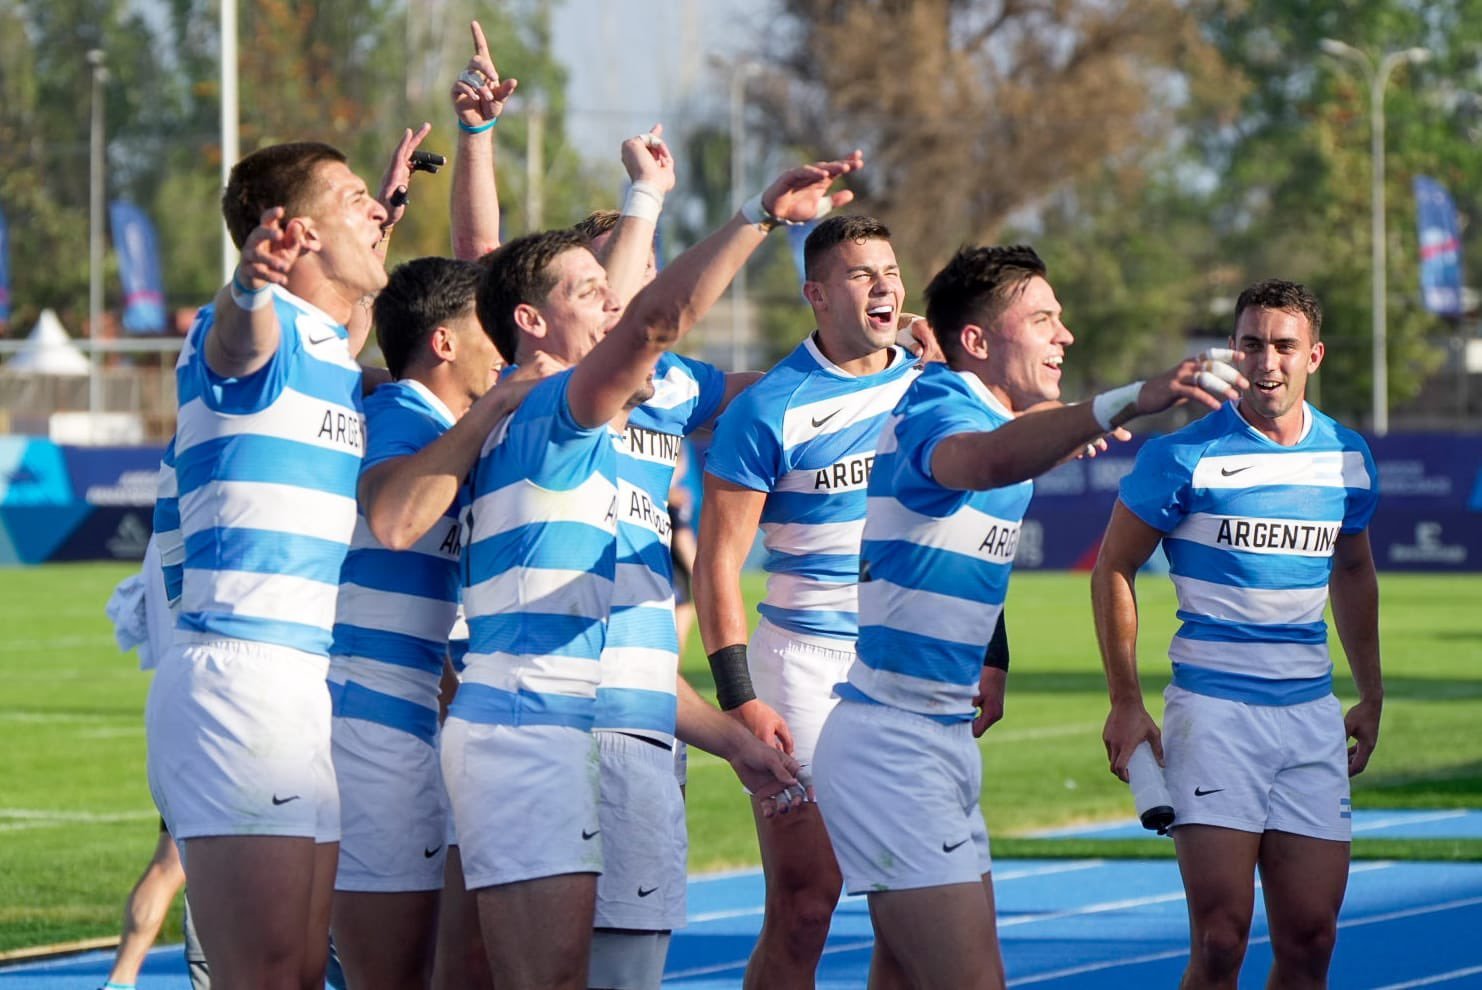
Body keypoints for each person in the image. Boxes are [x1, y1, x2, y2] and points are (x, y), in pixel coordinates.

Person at [443, 153, 859, 989]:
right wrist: (752, 213)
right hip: (533, 727)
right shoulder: (544, 410)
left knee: (628, 977)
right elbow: (646, 322)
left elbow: (789, 392)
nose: (619, 295)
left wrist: (885, 359)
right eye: (593, 285)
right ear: (529, 319)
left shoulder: (662, 393)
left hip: (633, 728)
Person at [811, 243, 1244, 989]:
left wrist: (1063, 425)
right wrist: (1121, 400)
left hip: (934, 739)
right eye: (1043, 319)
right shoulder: (937, 409)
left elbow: (996, 465)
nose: (1064, 336)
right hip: (891, 749)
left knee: (904, 977)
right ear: (977, 341)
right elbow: (979, 461)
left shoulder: (984, 406)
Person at [144, 130, 429, 988]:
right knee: (264, 977)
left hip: (300, 687)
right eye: (352, 203)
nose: (374, 216)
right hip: (238, 679)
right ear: (289, 234)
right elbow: (238, 338)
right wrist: (248, 281)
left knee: (302, 974)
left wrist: (387, 202)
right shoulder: (249, 334)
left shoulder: (334, 357)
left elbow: (357, 307)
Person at [1092, 278, 1382, 990]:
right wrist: (1126, 701)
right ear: (1234, 350)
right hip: (1214, 719)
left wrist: (1371, 694)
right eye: (1251, 343)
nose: (1266, 361)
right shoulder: (1182, 455)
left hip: (1310, 720)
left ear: (1313, 355)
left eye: (1284, 345)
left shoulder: (1347, 457)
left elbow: (1353, 571)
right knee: (1221, 941)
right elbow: (1113, 569)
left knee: (1311, 941)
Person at [692, 214, 922, 987]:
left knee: (911, 896)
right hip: (802, 668)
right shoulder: (771, 405)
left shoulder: (936, 382)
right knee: (806, 901)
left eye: (890, 270)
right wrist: (739, 699)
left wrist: (994, 656)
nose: (884, 286)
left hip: (906, 666)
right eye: (862, 274)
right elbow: (718, 563)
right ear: (817, 295)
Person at [326, 256, 542, 990]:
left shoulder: (443, 432)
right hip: (366, 727)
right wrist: (493, 409)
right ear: (445, 343)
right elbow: (390, 517)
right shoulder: (398, 415)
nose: (504, 350)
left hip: (412, 722)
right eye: (490, 330)